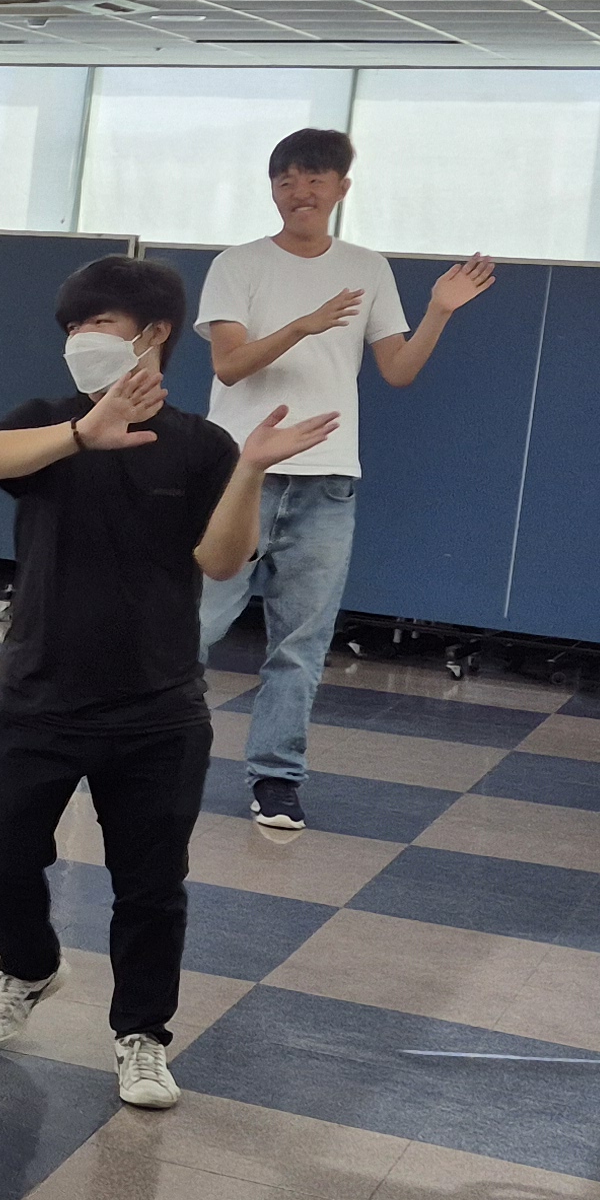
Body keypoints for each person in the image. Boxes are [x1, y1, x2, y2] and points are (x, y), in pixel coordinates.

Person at [0, 257, 335, 1111]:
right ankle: (29, 967)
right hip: (37, 698)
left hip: (157, 709)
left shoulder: (202, 446)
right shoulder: (47, 423)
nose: (81, 338)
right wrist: (81, 435)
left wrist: (249, 471)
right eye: (73, 327)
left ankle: (143, 1036)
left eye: (100, 323)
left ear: (154, 334)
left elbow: (223, 561)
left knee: (150, 886)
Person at [195, 128, 494, 832]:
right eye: (286, 180)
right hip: (239, 473)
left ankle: (276, 781)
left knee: (300, 644)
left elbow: (398, 370)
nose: (299, 192)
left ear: (341, 189)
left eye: (314, 180)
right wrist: (303, 326)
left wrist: (439, 311)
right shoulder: (237, 264)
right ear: (273, 189)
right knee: (192, 627)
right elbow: (229, 366)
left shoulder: (368, 267)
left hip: (328, 480)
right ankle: (134, 748)